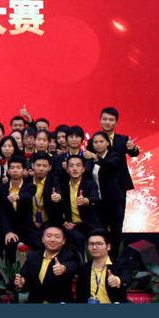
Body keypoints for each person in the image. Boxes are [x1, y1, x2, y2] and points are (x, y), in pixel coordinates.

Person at [98, 107, 138, 250]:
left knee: (117, 224)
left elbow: (134, 153)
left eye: (111, 120)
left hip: (119, 187)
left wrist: (133, 148)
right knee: (101, 224)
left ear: (116, 122)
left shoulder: (123, 139)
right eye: (104, 119)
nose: (107, 122)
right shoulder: (95, 140)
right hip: (100, 188)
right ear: (100, 120)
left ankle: (116, 256)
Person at [15, 225, 79, 303]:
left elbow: (73, 266)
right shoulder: (32, 257)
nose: (52, 240)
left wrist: (63, 268)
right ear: (42, 239)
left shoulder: (70, 256)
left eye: (57, 237)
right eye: (49, 236)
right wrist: (20, 283)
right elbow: (23, 275)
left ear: (63, 241)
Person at [51, 154, 102, 253]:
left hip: (89, 223)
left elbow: (95, 198)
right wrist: (64, 223)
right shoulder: (62, 186)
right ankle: (80, 262)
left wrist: (86, 200)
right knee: (78, 238)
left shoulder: (90, 184)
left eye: (78, 165)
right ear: (67, 170)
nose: (75, 169)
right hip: (71, 225)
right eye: (71, 166)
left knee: (100, 238)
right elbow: (55, 209)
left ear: (83, 169)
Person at [76, 230, 132, 303]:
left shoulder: (120, 264)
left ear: (108, 247)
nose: (94, 247)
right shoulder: (83, 268)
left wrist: (117, 281)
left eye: (99, 244)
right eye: (91, 244)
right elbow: (80, 296)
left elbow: (127, 279)